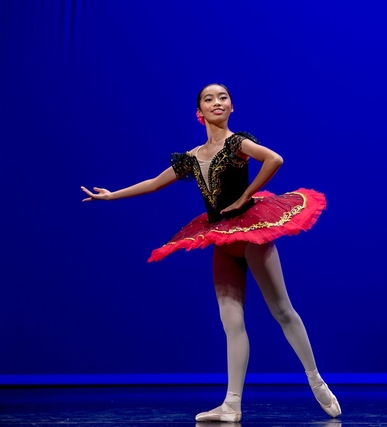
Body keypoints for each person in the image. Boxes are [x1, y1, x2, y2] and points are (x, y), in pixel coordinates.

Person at [80, 83, 341, 423]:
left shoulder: (237, 143)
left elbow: (274, 159)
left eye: (223, 98)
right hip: (221, 239)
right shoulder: (191, 158)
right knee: (231, 321)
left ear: (231, 107)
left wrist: (246, 195)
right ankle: (232, 404)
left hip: (251, 233)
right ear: (199, 112)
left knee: (281, 310)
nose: (217, 102)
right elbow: (155, 182)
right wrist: (112, 195)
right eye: (209, 99)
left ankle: (315, 378)